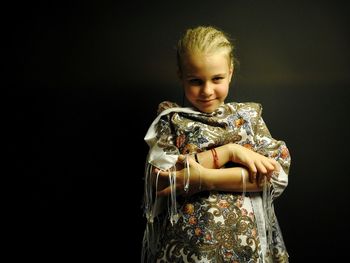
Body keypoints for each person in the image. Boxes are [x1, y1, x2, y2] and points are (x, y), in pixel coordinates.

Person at [142, 25, 291, 263]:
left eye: (217, 78)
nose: (207, 90)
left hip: (247, 246)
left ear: (230, 72)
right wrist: (230, 152)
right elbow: (162, 177)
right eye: (195, 81)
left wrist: (204, 179)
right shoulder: (172, 118)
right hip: (187, 248)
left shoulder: (247, 118)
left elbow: (274, 176)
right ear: (181, 75)